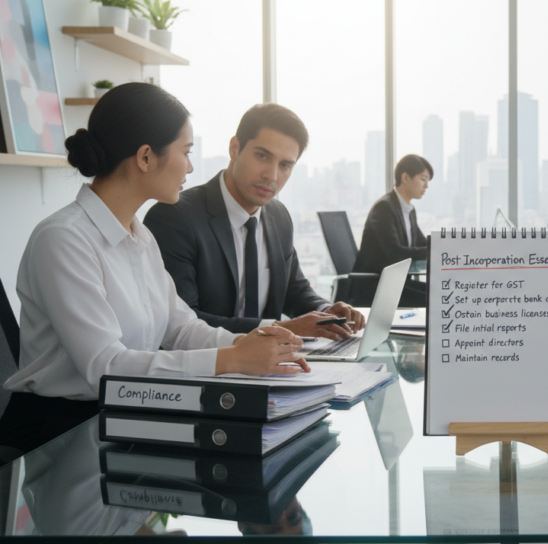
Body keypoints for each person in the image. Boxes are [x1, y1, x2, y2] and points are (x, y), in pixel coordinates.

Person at [0, 84, 308, 454]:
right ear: (146, 157)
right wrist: (233, 358)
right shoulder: (63, 239)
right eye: (186, 151)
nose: (190, 167)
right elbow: (105, 367)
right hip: (56, 436)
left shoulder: (140, 236)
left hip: (124, 418)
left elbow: (181, 328)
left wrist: (246, 344)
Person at [144, 104, 365, 339]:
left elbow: (294, 290)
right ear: (234, 148)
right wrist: (280, 329)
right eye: (262, 156)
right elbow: (182, 324)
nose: (272, 175)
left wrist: (327, 312)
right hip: (210, 359)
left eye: (285, 165)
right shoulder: (175, 218)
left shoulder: (279, 216)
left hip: (274, 359)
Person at [352, 154, 432, 306]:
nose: (426, 186)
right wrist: (433, 250)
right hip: (376, 287)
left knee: (440, 292)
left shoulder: (409, 210)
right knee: (436, 299)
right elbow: (395, 253)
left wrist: (443, 247)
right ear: (405, 178)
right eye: (423, 179)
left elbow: (422, 243)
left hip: (396, 283)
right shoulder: (384, 208)